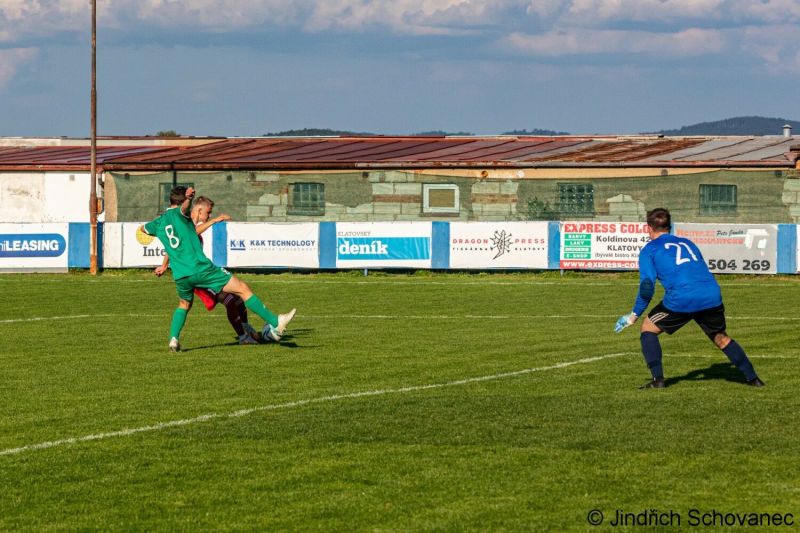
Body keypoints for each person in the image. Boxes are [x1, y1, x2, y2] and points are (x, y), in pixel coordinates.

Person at [614, 207, 764, 389]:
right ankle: (753, 379)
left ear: (648, 228)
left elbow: (647, 287)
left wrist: (633, 316)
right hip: (711, 294)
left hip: (682, 298)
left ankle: (658, 380)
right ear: (670, 226)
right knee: (721, 338)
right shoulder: (687, 243)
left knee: (648, 328)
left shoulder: (650, 249)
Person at [140, 186, 296, 352]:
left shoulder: (159, 222)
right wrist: (189, 197)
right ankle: (273, 322)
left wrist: (160, 256)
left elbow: (144, 229)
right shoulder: (180, 214)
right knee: (241, 289)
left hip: (180, 275)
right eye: (208, 212)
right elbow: (185, 210)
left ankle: (173, 339)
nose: (209, 215)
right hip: (200, 269)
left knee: (184, 304)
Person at [154, 195, 262, 345]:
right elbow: (193, 233)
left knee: (238, 296)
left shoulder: (187, 223)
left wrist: (164, 265)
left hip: (199, 273)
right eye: (208, 212)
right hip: (196, 278)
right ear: (199, 210)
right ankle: (243, 337)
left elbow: (174, 248)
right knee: (229, 300)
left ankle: (245, 328)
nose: (209, 215)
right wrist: (214, 221)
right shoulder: (186, 222)